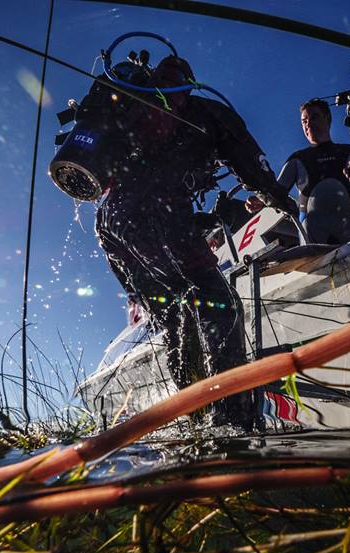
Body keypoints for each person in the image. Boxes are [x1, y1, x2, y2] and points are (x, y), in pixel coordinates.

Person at [92, 55, 295, 427]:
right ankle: (230, 421)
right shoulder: (205, 113)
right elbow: (252, 165)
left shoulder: (136, 105)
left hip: (111, 225)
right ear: (189, 82)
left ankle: (195, 417)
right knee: (218, 302)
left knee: (174, 315)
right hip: (157, 214)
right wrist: (283, 201)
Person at [248, 99, 350, 244]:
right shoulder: (297, 159)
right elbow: (277, 191)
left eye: (314, 117)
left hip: (348, 236)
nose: (308, 124)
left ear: (327, 118)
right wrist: (260, 199)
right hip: (312, 242)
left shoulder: (346, 151)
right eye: (304, 121)